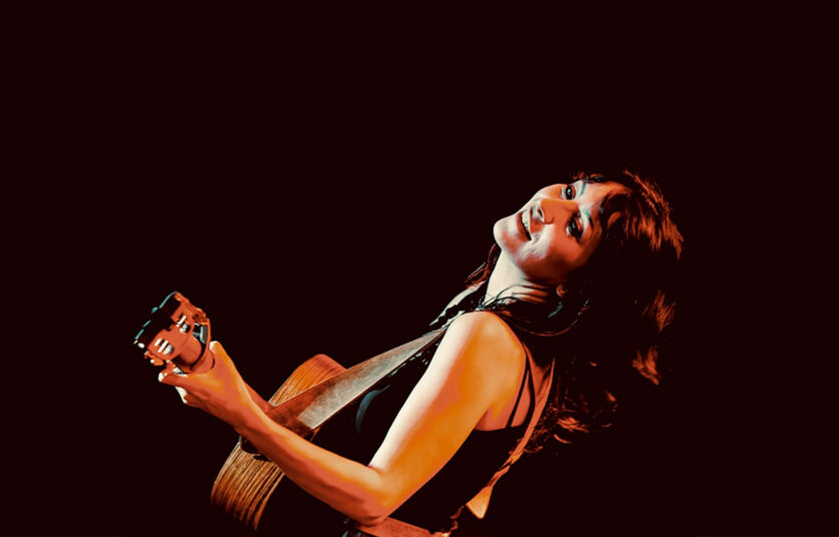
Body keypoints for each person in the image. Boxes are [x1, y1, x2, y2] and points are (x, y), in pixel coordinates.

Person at [158, 169, 685, 536]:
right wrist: (220, 384)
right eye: (570, 190)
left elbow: (375, 498)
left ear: (579, 285)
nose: (548, 205)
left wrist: (243, 415)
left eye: (576, 226)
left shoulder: (489, 337)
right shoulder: (491, 321)